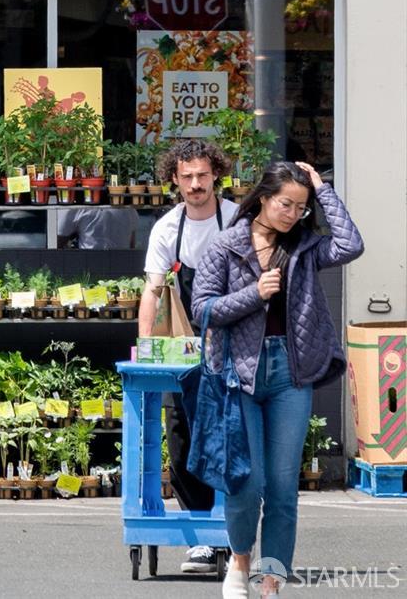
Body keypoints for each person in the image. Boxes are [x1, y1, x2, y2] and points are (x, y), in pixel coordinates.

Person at [191, 162, 364, 599]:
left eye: (300, 208)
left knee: (284, 487)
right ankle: (239, 562)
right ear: (264, 198)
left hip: (290, 372)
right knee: (247, 484)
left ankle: (272, 578)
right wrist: (255, 294)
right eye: (285, 203)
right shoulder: (224, 247)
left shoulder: (305, 247)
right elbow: (203, 311)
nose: (291, 214)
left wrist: (322, 191)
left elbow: (351, 244)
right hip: (240, 375)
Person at [138, 138, 239, 575]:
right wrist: (146, 346)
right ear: (174, 179)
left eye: (202, 174)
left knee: (232, 428)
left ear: (216, 173)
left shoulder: (237, 219)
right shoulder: (167, 228)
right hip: (186, 336)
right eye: (186, 177)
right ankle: (200, 534)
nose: (195, 184)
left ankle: (234, 534)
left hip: (236, 332)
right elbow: (153, 289)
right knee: (181, 426)